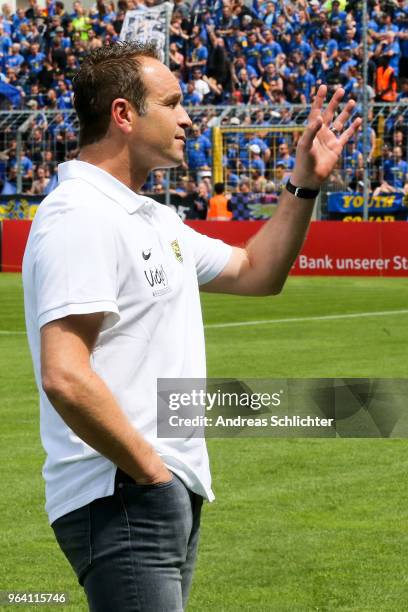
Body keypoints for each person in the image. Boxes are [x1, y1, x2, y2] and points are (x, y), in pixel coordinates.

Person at [22, 42, 361, 612]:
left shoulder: (152, 217)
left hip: (154, 490)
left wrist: (304, 183)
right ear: (124, 115)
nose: (188, 117)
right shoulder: (80, 214)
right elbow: (65, 375)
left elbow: (258, 272)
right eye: (173, 102)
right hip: (121, 491)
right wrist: (152, 474)